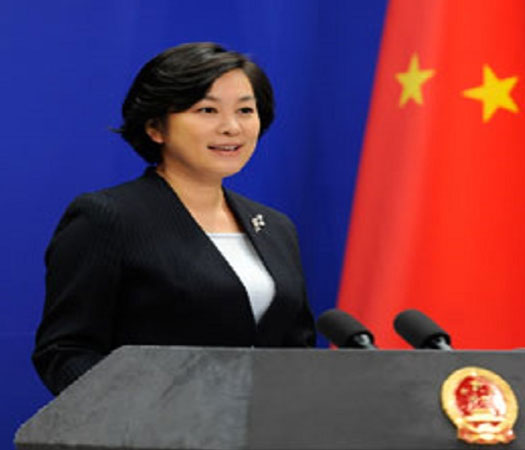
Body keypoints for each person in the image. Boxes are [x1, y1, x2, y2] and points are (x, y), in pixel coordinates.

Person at [33, 42, 316, 395]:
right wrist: (142, 412)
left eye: (245, 110)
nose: (231, 127)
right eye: (207, 110)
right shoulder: (108, 217)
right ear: (156, 127)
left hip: (264, 423)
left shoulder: (275, 227)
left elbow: (297, 349)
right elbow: (65, 351)